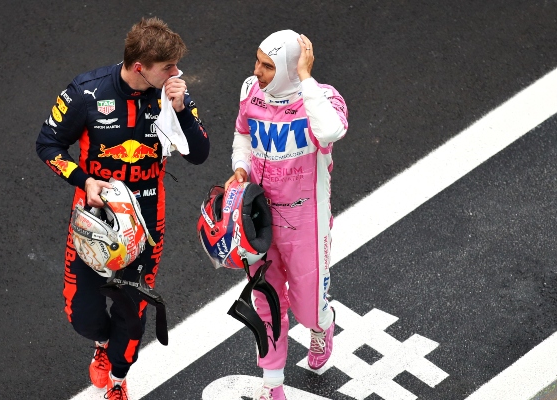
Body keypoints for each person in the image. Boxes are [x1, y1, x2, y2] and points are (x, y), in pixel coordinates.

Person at [36, 17, 209, 399]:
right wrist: (84, 181)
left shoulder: (173, 95)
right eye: (168, 68)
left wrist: (180, 110)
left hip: (147, 229)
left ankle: (117, 379)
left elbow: (199, 154)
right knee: (81, 317)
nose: (177, 73)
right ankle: (100, 343)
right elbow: (47, 144)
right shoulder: (85, 93)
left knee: (132, 319)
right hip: (94, 224)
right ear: (139, 67)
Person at [225, 29, 348, 400]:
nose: (258, 71)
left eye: (268, 65)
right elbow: (242, 135)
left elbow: (331, 130)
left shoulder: (323, 98)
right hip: (260, 218)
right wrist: (241, 167)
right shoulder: (251, 91)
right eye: (258, 62)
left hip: (306, 222)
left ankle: (321, 326)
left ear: (292, 68)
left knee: (307, 308)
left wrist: (306, 78)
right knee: (265, 299)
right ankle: (272, 385)